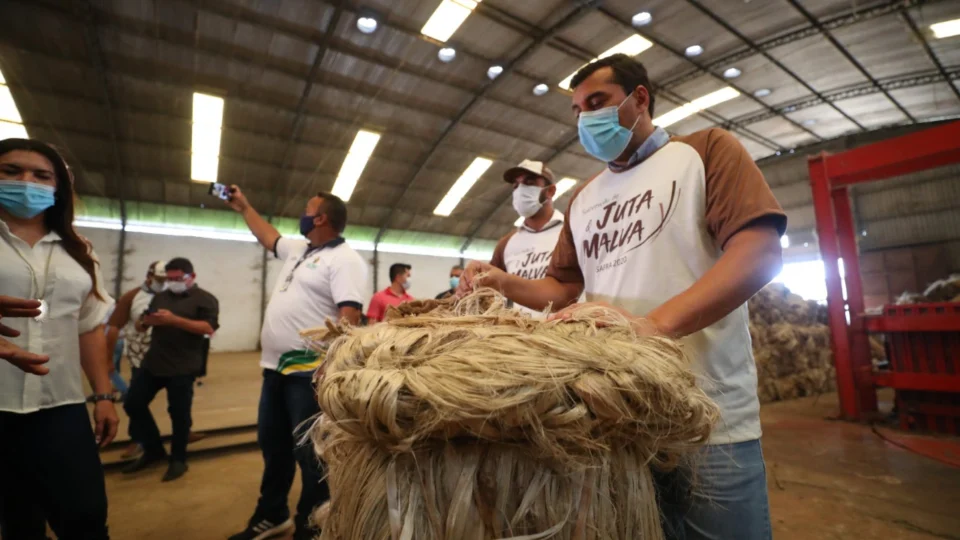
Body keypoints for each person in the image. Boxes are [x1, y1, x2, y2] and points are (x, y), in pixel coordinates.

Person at [460, 54, 786, 540]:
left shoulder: (704, 151)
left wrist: (653, 327)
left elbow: (758, 252)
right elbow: (562, 289)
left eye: (598, 102)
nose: (585, 117)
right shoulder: (585, 198)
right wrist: (501, 281)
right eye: (576, 110)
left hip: (709, 415)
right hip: (618, 419)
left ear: (639, 99)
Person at [224, 187, 367, 540]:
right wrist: (244, 206)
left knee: (311, 453)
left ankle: (312, 524)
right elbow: (268, 236)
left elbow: (348, 315)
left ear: (320, 218)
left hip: (308, 373)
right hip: (274, 369)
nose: (303, 213)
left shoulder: (345, 259)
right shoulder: (299, 250)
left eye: (308, 209)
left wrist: (331, 367)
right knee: (273, 445)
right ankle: (273, 515)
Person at [0, 138, 118, 539]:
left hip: (61, 406)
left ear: (57, 188)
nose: (26, 181)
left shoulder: (80, 251)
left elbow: (87, 327)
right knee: (17, 520)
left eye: (41, 175)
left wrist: (103, 395)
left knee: (85, 515)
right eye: (11, 171)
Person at [122, 257, 219, 482]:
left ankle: (178, 459)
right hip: (154, 362)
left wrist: (174, 320)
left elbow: (208, 328)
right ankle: (154, 450)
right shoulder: (160, 297)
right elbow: (140, 324)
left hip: (183, 366)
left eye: (178, 279)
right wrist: (145, 322)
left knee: (179, 414)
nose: (173, 282)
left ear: (191, 277)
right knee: (133, 404)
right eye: (170, 279)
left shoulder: (205, 299)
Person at [106, 260, 166, 459]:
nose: (163, 284)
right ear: (149, 276)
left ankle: (183, 430)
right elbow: (114, 326)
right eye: (159, 280)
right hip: (140, 359)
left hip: (171, 358)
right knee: (135, 401)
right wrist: (107, 358)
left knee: (180, 399)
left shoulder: (171, 297)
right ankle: (138, 439)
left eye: (166, 280)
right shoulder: (132, 297)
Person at [489, 159, 565, 317]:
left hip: (567, 334)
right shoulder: (506, 244)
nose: (520, 190)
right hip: (523, 337)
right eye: (516, 186)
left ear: (550, 191)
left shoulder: (571, 231)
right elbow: (491, 291)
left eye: (529, 183)